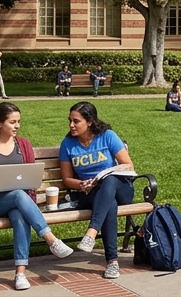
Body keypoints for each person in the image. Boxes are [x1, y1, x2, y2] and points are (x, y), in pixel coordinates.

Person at [0, 102, 73, 290]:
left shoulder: (23, 144)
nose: (17, 126)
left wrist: (26, 198)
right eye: (12, 122)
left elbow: (31, 178)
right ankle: (51, 240)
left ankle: (20, 273)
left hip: (18, 202)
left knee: (19, 214)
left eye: (19, 122)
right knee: (16, 194)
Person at [59, 102, 137, 279]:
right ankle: (112, 262)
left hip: (120, 188)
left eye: (76, 121)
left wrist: (102, 176)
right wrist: (80, 184)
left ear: (90, 122)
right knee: (109, 204)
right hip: (90, 193)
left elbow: (128, 165)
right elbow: (66, 179)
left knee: (109, 180)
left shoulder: (107, 136)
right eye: (69, 120)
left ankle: (91, 232)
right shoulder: (68, 144)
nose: (71, 125)